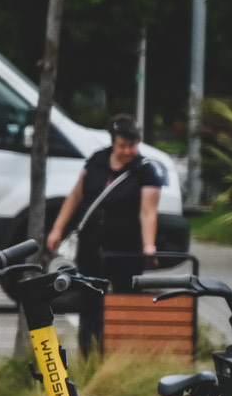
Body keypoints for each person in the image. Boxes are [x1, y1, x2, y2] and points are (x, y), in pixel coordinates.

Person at [45, 113, 165, 355]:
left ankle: (123, 356)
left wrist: (149, 247)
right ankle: (90, 355)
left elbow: (148, 212)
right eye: (123, 145)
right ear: (113, 142)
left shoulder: (145, 171)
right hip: (91, 247)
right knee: (89, 304)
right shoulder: (97, 161)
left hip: (126, 251)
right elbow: (76, 197)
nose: (129, 151)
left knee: (125, 303)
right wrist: (57, 229)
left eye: (133, 145)